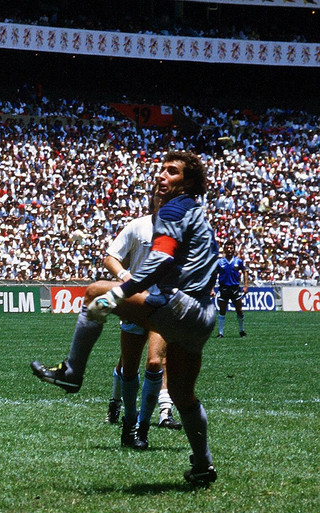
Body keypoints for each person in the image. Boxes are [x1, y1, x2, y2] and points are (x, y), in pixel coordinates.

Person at [31, 151, 219, 485]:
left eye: (172, 171)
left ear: (187, 182)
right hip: (204, 317)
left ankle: (72, 373)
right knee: (181, 392)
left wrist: (121, 291)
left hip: (179, 307)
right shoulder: (199, 213)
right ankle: (203, 466)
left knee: (93, 292)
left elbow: (159, 260)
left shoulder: (175, 208)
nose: (162, 175)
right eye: (161, 170)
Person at [100, 191, 181, 452]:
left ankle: (144, 427)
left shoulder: (184, 231)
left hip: (164, 306)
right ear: (154, 200)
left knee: (156, 362)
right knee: (129, 368)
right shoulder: (137, 226)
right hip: (136, 304)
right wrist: (125, 275)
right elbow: (110, 256)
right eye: (161, 196)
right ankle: (128, 422)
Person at [214, 240, 249, 338]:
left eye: (231, 248)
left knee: (239, 310)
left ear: (234, 249)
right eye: (227, 248)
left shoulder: (238, 261)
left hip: (235, 289)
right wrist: (212, 289)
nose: (229, 250)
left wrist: (246, 286)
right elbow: (214, 275)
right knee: (222, 311)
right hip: (223, 288)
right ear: (224, 249)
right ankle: (220, 333)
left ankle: (242, 331)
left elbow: (245, 271)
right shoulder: (220, 262)